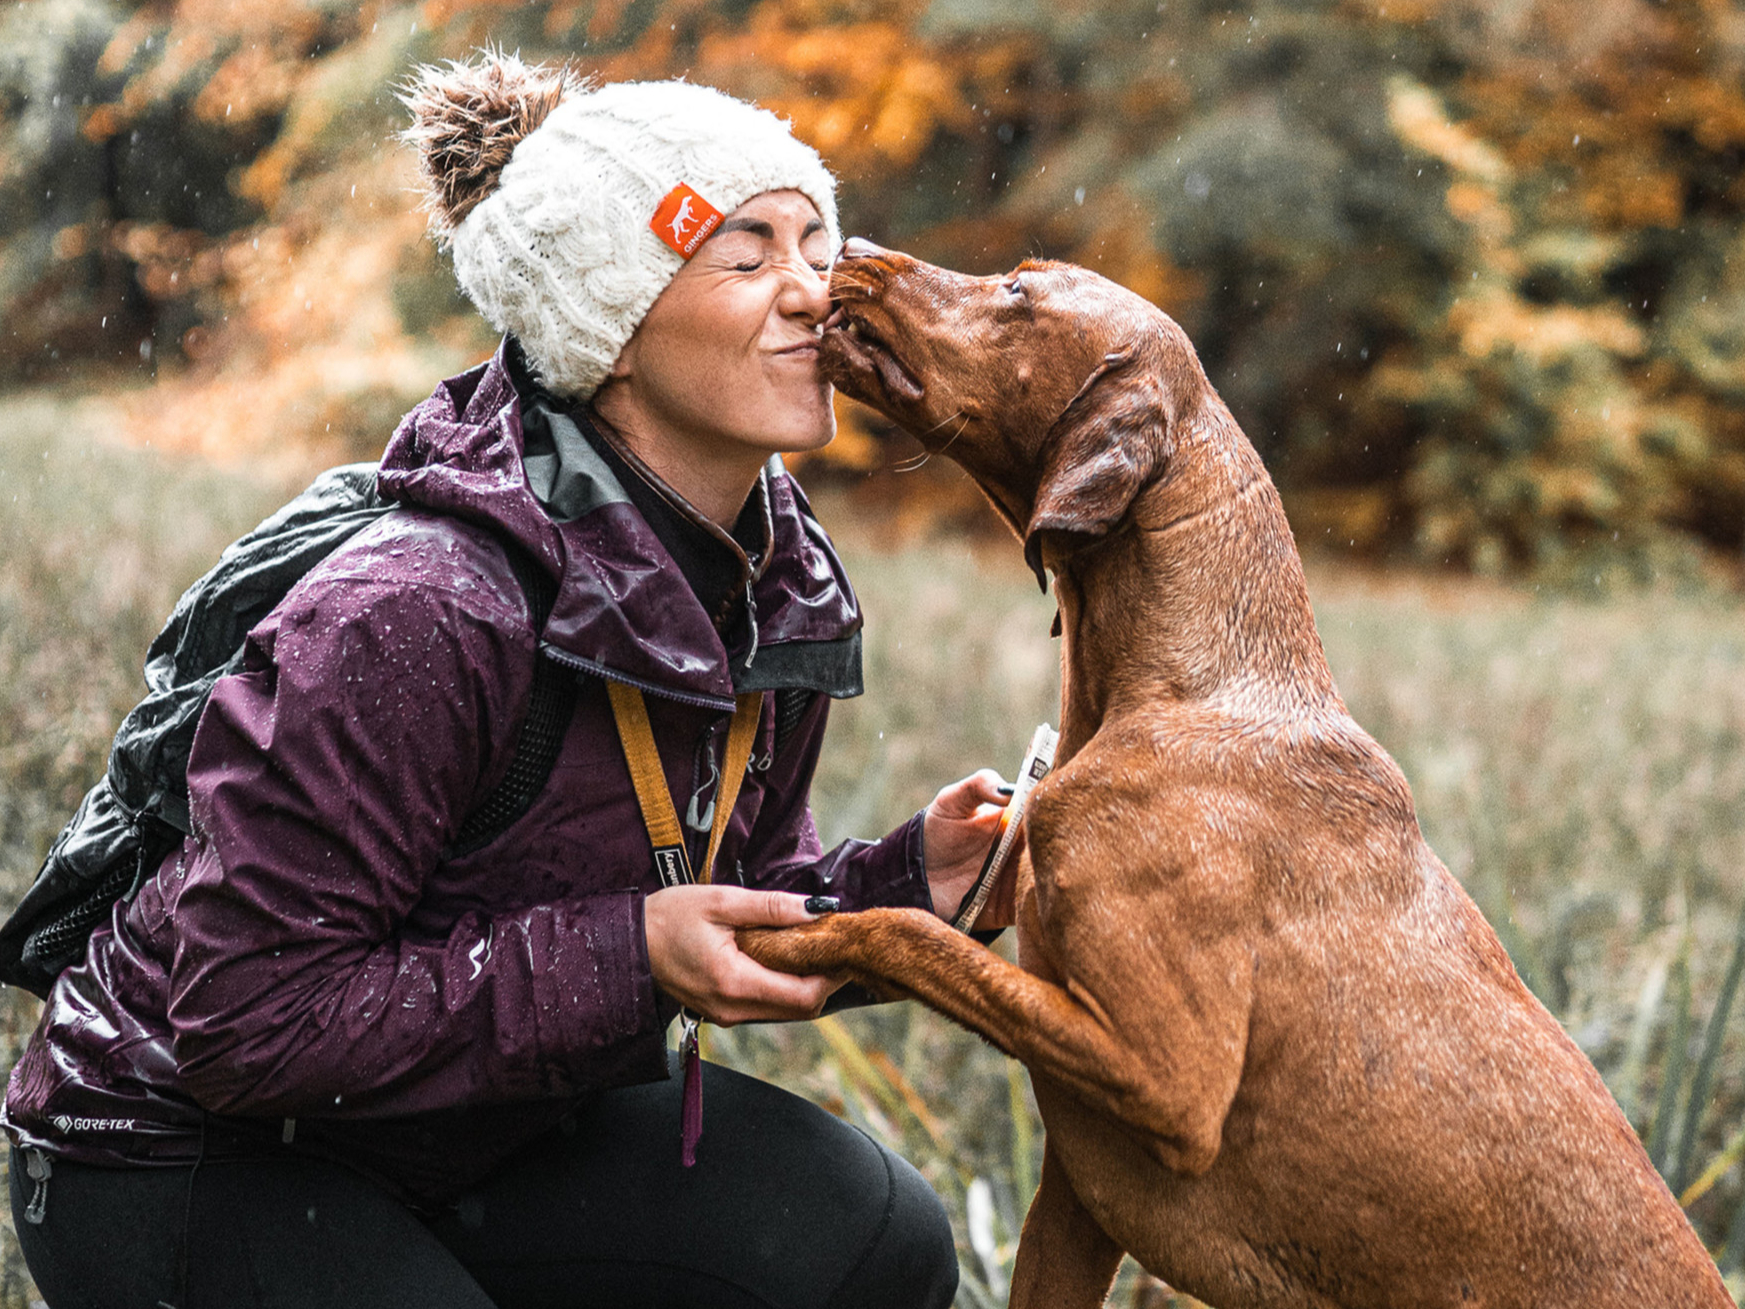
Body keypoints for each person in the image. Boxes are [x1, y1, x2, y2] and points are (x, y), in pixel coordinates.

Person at [1, 53, 1017, 1309]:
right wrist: (630, 960)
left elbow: (725, 898)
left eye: (819, 241)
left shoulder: (769, 582)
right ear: (608, 326)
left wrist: (915, 885)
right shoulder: (418, 610)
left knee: (872, 1240)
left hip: (478, 1124)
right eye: (749, 256)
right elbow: (240, 1015)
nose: (816, 290)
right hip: (185, 1150)